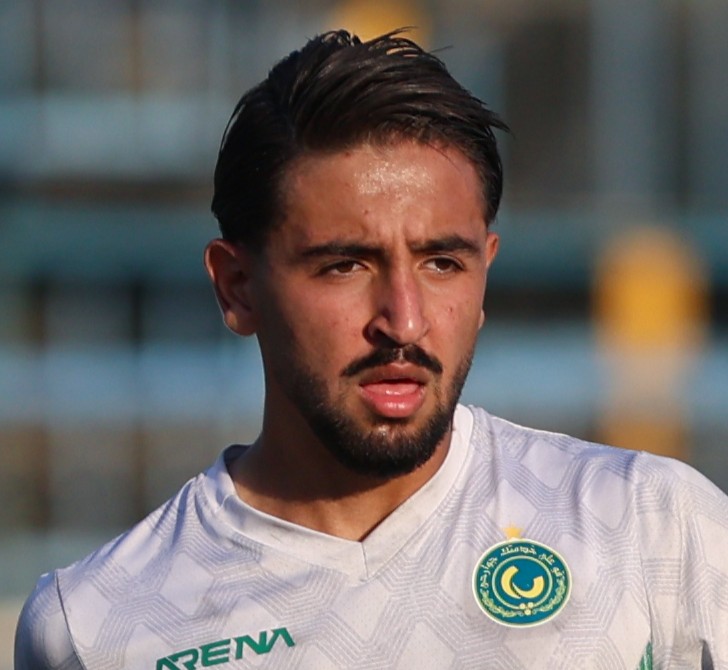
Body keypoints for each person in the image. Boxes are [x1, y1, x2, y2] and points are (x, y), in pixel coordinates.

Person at [15, 29, 728, 670]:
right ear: (237, 287)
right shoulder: (98, 627)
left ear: (485, 273)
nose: (404, 321)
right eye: (345, 265)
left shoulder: (650, 529)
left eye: (442, 263)